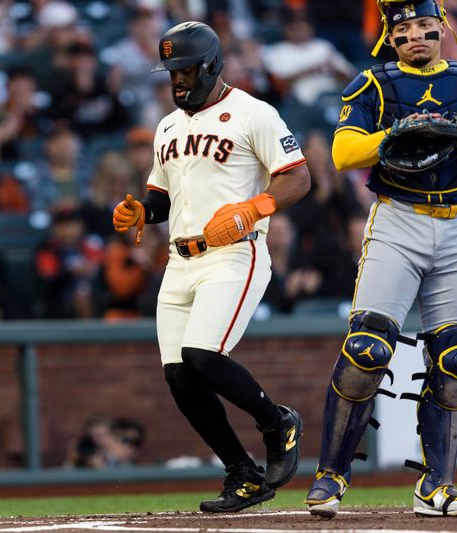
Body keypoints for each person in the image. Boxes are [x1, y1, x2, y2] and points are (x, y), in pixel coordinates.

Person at [304, 0, 457, 519]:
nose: (417, 36)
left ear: (442, 29)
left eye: (426, 26)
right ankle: (331, 476)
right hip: (397, 220)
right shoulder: (372, 84)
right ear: (391, 36)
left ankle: (436, 486)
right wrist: (393, 137)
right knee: (367, 349)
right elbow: (343, 153)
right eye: (405, 29)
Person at [112, 22, 310, 513]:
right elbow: (162, 194)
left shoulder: (253, 113)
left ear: (212, 65)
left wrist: (255, 207)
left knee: (202, 355)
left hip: (234, 253)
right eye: (171, 73)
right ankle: (242, 473)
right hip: (179, 261)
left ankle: (277, 422)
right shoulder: (168, 125)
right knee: (180, 377)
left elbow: (298, 177)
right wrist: (142, 211)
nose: (177, 81)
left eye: (185, 70)